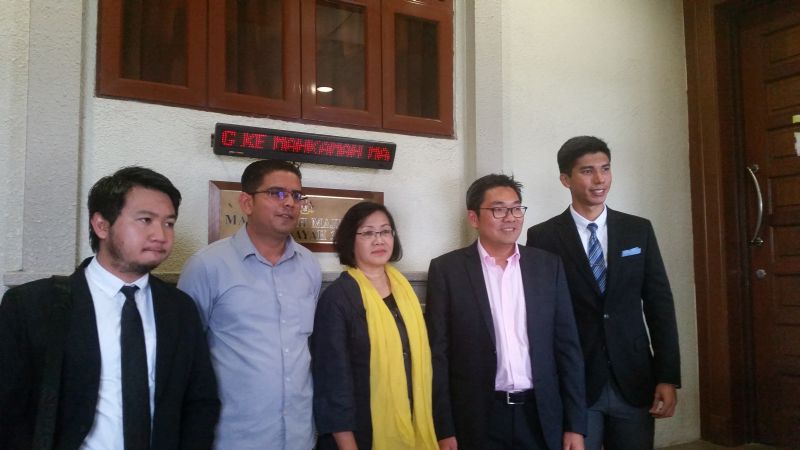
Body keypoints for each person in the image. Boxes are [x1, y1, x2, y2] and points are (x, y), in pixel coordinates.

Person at [0, 166, 220, 450]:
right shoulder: (34, 305)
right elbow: (9, 406)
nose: (161, 235)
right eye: (145, 220)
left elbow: (200, 399)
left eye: (169, 223)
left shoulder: (178, 308)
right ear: (101, 225)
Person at [526, 136, 681, 450]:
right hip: (576, 380)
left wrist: (667, 376)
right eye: (587, 171)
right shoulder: (543, 237)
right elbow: (540, 316)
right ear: (565, 179)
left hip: (634, 376)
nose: (599, 180)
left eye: (605, 169)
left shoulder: (638, 229)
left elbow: (659, 304)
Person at [425, 174, 587, 450]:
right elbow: (438, 355)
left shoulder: (547, 267)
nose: (510, 217)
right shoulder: (447, 271)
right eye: (498, 209)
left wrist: (575, 425)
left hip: (540, 415)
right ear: (474, 218)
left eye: (516, 208)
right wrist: (443, 427)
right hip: (478, 419)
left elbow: (568, 348)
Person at [178, 159, 322, 450]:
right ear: (246, 202)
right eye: (277, 193)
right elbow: (185, 357)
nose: (290, 203)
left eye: (296, 195)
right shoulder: (207, 266)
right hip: (235, 437)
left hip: (300, 435)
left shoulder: (309, 265)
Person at [312, 202, 439, 450]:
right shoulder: (339, 298)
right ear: (351, 240)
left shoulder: (404, 291)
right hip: (362, 432)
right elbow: (332, 382)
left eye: (385, 231)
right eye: (368, 233)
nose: (379, 240)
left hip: (414, 425)